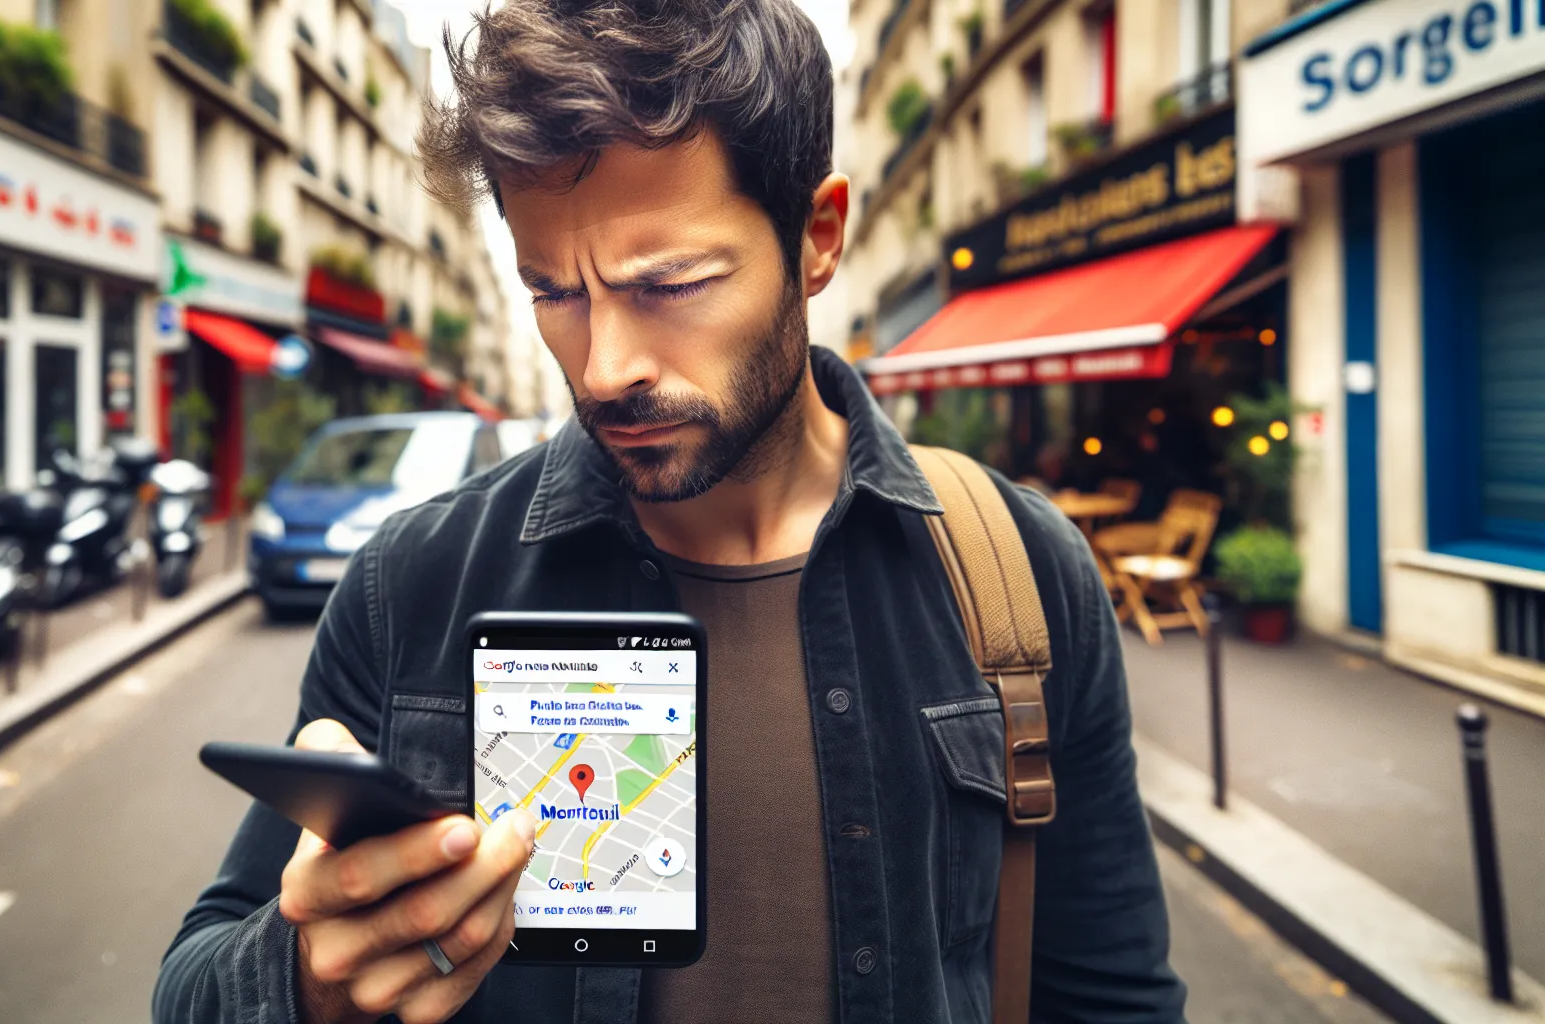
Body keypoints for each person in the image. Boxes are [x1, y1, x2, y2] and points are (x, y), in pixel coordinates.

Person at [153, 0, 1187, 1021]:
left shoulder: (1021, 574)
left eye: (670, 283)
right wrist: (311, 975)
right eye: (555, 293)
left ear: (817, 237)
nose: (605, 368)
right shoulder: (412, 579)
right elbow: (194, 983)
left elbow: (1110, 998)